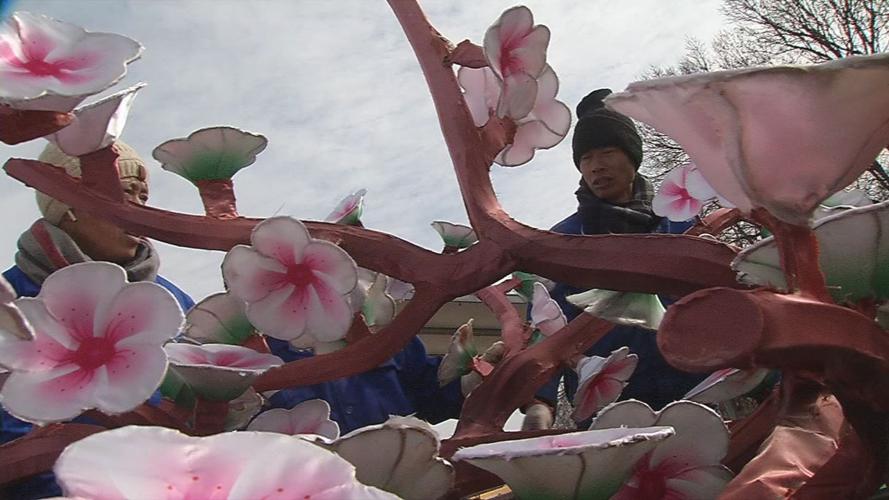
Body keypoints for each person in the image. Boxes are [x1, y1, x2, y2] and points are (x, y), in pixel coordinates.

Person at [1, 141, 195, 499]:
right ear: (68, 205)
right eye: (125, 192)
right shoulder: (12, 300)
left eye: (143, 196)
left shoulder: (173, 301)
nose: (138, 208)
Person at [524, 89, 706, 429]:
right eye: (586, 158)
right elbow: (545, 322)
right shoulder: (563, 241)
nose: (597, 166)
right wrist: (540, 399)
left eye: (607, 153)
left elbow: (717, 299)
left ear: (632, 158)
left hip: (692, 390)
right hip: (605, 406)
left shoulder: (681, 223)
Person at [265, 335, 504, 434]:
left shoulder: (393, 338)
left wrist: (468, 383)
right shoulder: (259, 351)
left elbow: (431, 398)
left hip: (397, 479)